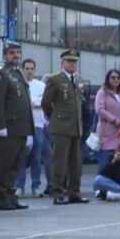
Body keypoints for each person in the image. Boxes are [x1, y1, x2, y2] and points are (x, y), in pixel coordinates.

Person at [0, 42, 32, 211]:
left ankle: (10, 195)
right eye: (12, 53)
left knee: (15, 165)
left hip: (21, 127)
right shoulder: (1, 73)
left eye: (18, 52)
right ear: (5, 55)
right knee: (3, 165)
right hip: (8, 127)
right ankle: (0, 197)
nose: (16, 55)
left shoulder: (16, 72)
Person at [44, 49, 86, 204]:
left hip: (76, 126)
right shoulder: (55, 79)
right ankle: (57, 192)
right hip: (61, 126)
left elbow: (80, 103)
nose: (72, 64)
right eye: (69, 61)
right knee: (60, 162)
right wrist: (55, 118)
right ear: (62, 63)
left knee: (76, 163)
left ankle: (74, 192)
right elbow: (46, 103)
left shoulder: (79, 79)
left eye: (74, 61)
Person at [21, 57, 49, 196]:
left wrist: (32, 102)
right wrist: (33, 102)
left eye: (32, 69)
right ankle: (19, 186)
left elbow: (44, 101)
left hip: (38, 125)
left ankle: (36, 186)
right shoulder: (19, 84)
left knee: (36, 157)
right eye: (27, 68)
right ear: (23, 69)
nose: (29, 71)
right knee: (21, 156)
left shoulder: (41, 86)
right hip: (21, 125)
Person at [94, 69, 120, 160]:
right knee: (106, 165)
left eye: (118, 77)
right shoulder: (102, 92)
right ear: (108, 79)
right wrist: (114, 120)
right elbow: (99, 109)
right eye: (113, 77)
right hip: (107, 134)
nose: (116, 79)